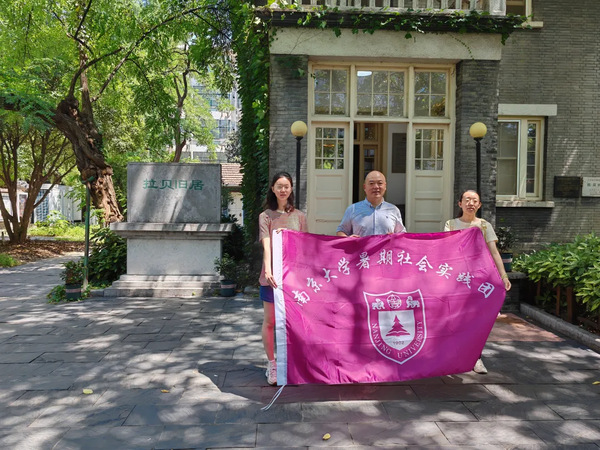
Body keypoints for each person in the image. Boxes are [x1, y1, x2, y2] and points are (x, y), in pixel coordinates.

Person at [444, 189, 511, 374]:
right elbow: (445, 249)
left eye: (474, 201)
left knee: (476, 321)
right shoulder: (451, 224)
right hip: (457, 280)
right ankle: (454, 356)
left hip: (479, 281)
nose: (471, 203)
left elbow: (494, 252)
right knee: (456, 320)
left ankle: (476, 358)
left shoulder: (484, 225)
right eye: (467, 200)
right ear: (460, 203)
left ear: (479, 205)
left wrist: (503, 276)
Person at [259, 171, 307, 385]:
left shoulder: (300, 217)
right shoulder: (266, 216)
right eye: (279, 186)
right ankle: (272, 363)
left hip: (294, 279)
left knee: (294, 323)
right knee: (270, 321)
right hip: (272, 278)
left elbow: (305, 246)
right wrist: (268, 271)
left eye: (286, 186)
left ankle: (293, 362)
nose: (283, 190)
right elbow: (266, 245)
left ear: (291, 189)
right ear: (273, 188)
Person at [336, 171, 406, 237]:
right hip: (362, 246)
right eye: (371, 183)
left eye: (380, 183)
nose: (376, 187)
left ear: (385, 186)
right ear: (364, 187)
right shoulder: (352, 209)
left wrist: (394, 237)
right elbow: (341, 231)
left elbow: (402, 234)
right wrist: (348, 239)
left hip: (386, 247)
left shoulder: (393, 210)